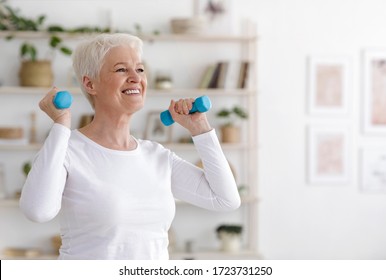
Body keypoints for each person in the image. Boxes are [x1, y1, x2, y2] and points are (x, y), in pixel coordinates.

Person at [19, 33, 241, 260]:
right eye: (121, 69)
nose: (136, 77)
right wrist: (61, 125)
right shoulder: (68, 150)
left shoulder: (157, 156)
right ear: (90, 83)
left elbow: (226, 199)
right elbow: (37, 211)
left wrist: (201, 130)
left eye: (140, 69)